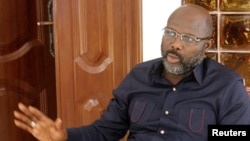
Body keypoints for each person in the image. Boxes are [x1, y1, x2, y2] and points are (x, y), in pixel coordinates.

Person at [13, 4, 250, 141]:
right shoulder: (139, 76)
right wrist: (65, 136)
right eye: (170, 33)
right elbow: (106, 131)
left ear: (205, 46)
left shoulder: (226, 87)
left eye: (188, 38)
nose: (176, 44)